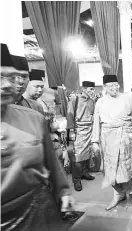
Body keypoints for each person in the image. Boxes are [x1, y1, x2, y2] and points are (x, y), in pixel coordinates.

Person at [1, 43, 75, 230]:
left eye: (11, 77)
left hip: (36, 211)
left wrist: (64, 191)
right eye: (0, 77)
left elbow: (50, 160)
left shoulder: (33, 118)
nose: (9, 84)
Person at [91, 75, 132, 211]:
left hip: (124, 136)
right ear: (104, 87)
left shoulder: (127, 98)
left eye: (116, 84)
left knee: (127, 167)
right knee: (110, 169)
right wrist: (95, 141)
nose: (114, 88)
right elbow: (96, 122)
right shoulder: (100, 102)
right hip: (107, 139)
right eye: (110, 86)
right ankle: (118, 193)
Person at [67, 81, 96, 191]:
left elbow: (92, 114)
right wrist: (71, 131)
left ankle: (84, 173)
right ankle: (76, 180)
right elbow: (69, 114)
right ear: (83, 89)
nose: (93, 91)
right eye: (90, 89)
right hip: (79, 130)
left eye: (93, 89)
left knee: (88, 153)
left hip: (90, 129)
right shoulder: (75, 99)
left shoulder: (91, 100)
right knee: (78, 156)